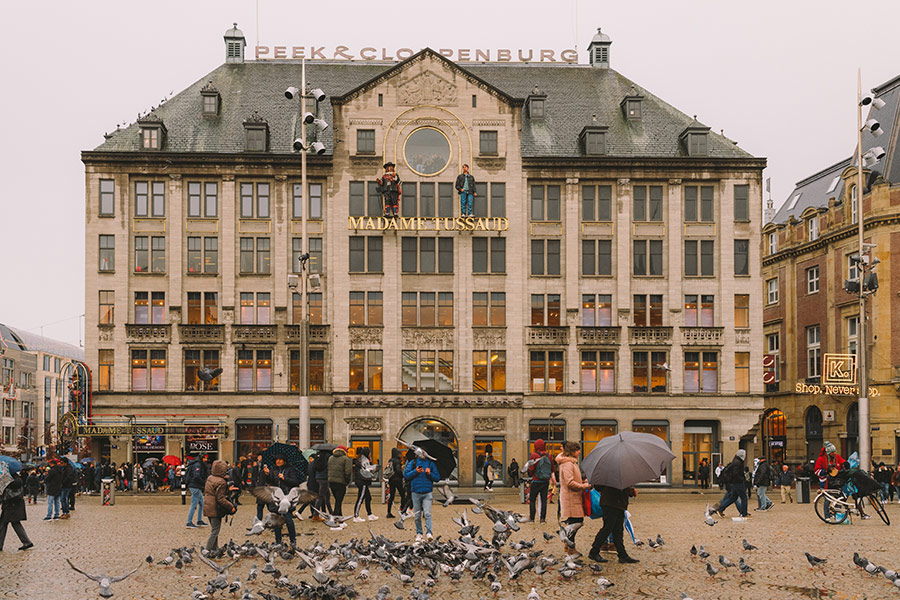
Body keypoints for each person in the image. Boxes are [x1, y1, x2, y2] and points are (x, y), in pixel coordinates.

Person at [587, 483, 639, 564]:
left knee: (618, 531)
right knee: (607, 529)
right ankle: (594, 552)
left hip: (619, 505)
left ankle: (622, 555)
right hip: (610, 504)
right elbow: (598, 487)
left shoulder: (622, 474)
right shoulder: (608, 474)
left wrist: (630, 491)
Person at [556, 441, 591, 558]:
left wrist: (582, 482)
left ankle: (569, 546)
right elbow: (569, 482)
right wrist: (584, 486)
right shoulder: (567, 464)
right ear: (572, 451)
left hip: (575, 498)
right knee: (576, 523)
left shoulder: (572, 463)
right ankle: (570, 547)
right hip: (571, 498)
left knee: (575, 522)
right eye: (577, 450)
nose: (579, 452)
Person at [404, 449, 440, 542]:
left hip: (427, 492)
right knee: (417, 515)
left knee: (427, 513)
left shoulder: (430, 464)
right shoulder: (412, 463)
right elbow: (406, 475)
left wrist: (430, 473)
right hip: (415, 492)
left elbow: (437, 478)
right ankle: (419, 533)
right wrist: (415, 471)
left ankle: (429, 533)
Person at [265, 455, 299, 546]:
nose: (278, 461)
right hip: (276, 498)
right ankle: (278, 541)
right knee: (276, 520)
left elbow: (295, 482)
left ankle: (293, 540)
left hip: (287, 497)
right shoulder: (273, 469)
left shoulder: (290, 469)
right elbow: (270, 482)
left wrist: (285, 478)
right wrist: (268, 474)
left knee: (288, 520)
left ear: (284, 461)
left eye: (280, 459)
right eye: (277, 459)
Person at [202, 460, 235, 552]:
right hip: (215, 508)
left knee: (214, 529)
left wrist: (227, 490)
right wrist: (231, 506)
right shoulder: (221, 481)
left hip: (208, 506)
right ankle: (207, 550)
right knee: (215, 531)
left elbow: (213, 492)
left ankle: (214, 549)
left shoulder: (210, 477)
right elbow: (220, 498)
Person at [707, 450, 749, 518]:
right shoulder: (738, 462)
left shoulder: (735, 461)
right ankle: (744, 513)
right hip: (738, 482)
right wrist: (742, 479)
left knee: (733, 498)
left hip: (733, 483)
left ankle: (720, 509)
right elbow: (736, 474)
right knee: (743, 497)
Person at [0, 471, 33, 552]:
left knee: (4, 524)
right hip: (15, 505)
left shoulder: (10, 481)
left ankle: (0, 545)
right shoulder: (17, 479)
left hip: (11, 506)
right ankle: (26, 542)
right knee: (14, 523)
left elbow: (8, 494)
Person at [526, 439, 552, 523]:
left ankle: (532, 518)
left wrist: (531, 473)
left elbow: (531, 468)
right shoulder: (549, 455)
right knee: (544, 500)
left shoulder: (534, 455)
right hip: (545, 481)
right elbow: (552, 468)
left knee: (532, 500)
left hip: (536, 480)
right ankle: (542, 519)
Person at [353, 447, 378, 522]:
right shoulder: (364, 461)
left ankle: (370, 514)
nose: (370, 454)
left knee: (368, 497)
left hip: (362, 481)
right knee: (360, 498)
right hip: (362, 481)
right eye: (369, 453)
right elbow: (366, 470)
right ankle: (356, 516)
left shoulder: (361, 459)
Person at [327, 446, 352, 520]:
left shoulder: (330, 458)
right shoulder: (345, 459)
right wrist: (347, 481)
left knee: (338, 500)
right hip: (341, 482)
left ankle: (340, 516)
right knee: (338, 500)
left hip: (331, 481)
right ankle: (335, 517)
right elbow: (348, 472)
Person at [185, 455, 209, 528]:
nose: (206, 459)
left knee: (202, 503)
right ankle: (189, 522)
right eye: (205, 458)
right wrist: (203, 483)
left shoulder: (198, 464)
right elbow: (196, 476)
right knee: (194, 504)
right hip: (195, 486)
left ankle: (199, 520)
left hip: (195, 486)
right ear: (202, 458)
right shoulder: (198, 465)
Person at [312, 449, 333, 519]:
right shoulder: (328, 456)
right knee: (320, 496)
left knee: (327, 495)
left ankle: (331, 512)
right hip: (325, 478)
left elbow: (314, 467)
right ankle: (315, 515)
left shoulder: (318, 456)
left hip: (318, 477)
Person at [385, 448, 405, 519]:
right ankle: (402, 510)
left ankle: (389, 512)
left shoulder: (390, 460)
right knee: (402, 495)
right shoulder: (397, 460)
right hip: (397, 480)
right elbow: (398, 471)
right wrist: (402, 475)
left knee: (392, 496)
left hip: (391, 480)